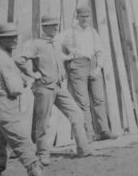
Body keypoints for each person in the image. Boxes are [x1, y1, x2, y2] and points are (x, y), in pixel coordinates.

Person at [16, 15, 92, 165]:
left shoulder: (56, 43)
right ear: (44, 27)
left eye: (56, 25)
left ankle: (83, 149)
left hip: (58, 87)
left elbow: (55, 58)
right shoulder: (36, 44)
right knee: (43, 123)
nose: (56, 28)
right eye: (52, 26)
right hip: (44, 88)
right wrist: (32, 74)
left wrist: (68, 57)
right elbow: (19, 59)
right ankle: (43, 154)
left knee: (77, 113)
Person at [0, 23, 42, 176]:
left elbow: (12, 76)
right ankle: (34, 169)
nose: (15, 40)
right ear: (1, 40)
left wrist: (21, 77)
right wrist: (26, 82)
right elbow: (15, 89)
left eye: (15, 37)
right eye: (10, 38)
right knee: (20, 138)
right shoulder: (3, 59)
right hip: (5, 103)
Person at [62, 6, 119, 141]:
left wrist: (98, 67)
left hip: (93, 66)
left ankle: (104, 131)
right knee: (83, 102)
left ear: (90, 17)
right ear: (77, 18)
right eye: (82, 17)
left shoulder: (93, 32)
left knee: (99, 99)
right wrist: (69, 55)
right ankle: (89, 134)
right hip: (78, 67)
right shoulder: (71, 33)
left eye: (87, 16)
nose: (84, 19)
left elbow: (100, 51)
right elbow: (62, 46)